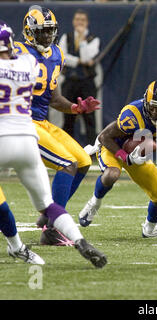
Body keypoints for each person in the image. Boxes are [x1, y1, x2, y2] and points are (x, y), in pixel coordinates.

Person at [0, 21, 106, 267]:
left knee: (81, 160)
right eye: (42, 31)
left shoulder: (55, 53)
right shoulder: (25, 59)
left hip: (27, 124)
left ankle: (46, 221)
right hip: (27, 127)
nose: (47, 35)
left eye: (50, 30)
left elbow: (53, 97)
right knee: (67, 163)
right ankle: (52, 225)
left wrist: (74, 108)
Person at [79, 79, 157, 237]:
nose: (154, 113)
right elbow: (105, 136)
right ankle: (94, 203)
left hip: (138, 152)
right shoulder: (132, 114)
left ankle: (150, 229)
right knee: (112, 174)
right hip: (114, 147)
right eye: (151, 107)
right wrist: (124, 157)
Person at [59, 9, 100, 147]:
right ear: (73, 21)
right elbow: (63, 57)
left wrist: (82, 41)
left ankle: (92, 149)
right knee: (68, 116)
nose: (79, 23)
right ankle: (67, 148)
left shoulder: (93, 40)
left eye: (82, 20)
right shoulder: (67, 37)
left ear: (87, 23)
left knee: (89, 117)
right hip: (70, 82)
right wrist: (79, 61)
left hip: (86, 83)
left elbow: (87, 57)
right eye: (77, 19)